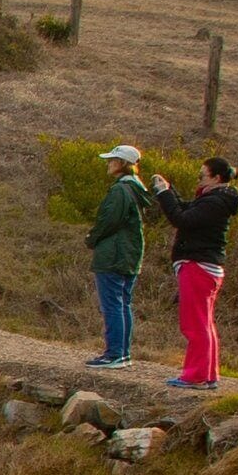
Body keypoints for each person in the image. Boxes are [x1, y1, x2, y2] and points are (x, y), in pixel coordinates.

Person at [149, 156, 238, 391]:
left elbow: (181, 219)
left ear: (216, 178)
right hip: (206, 266)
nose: (199, 179)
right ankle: (208, 373)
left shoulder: (214, 203)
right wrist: (170, 191)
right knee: (205, 322)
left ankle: (195, 376)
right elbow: (187, 210)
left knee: (195, 324)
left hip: (198, 266)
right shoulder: (215, 200)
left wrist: (163, 195)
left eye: (203, 175)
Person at [83, 143, 148, 368]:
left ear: (122, 164)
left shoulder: (121, 189)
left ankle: (114, 353)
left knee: (112, 304)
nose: (109, 164)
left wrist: (92, 238)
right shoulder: (136, 188)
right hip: (129, 254)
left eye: (112, 160)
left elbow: (109, 221)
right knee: (123, 304)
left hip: (114, 254)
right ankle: (122, 352)